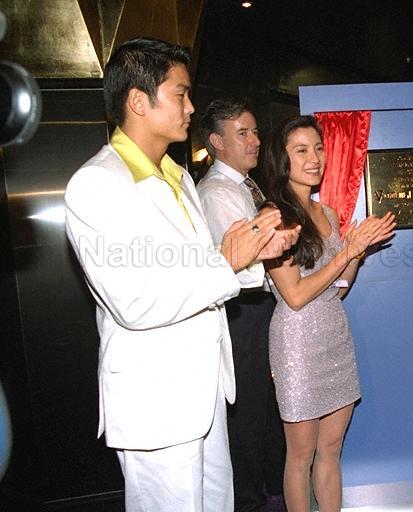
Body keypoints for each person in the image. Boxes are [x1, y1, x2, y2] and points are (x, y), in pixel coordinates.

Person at [64, 38, 293, 512]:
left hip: (204, 392)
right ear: (138, 101)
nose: (191, 108)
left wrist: (253, 256)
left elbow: (198, 268)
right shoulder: (97, 184)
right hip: (157, 401)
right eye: (181, 94)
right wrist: (227, 261)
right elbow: (134, 301)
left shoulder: (179, 176)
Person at [262, 116, 396, 512]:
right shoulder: (274, 217)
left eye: (318, 148)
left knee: (332, 448)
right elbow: (295, 295)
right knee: (300, 456)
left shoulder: (329, 214)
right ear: (281, 158)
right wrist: (345, 254)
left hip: (334, 336)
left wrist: (357, 252)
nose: (314, 158)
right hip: (297, 345)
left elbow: (339, 288)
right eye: (301, 150)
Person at [198, 98, 300, 512]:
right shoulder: (218, 192)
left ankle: (269, 491)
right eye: (243, 133)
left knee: (263, 408)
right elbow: (240, 266)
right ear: (217, 141)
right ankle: (252, 500)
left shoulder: (245, 186)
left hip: (257, 308)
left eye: (255, 131)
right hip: (241, 311)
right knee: (248, 413)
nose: (255, 141)